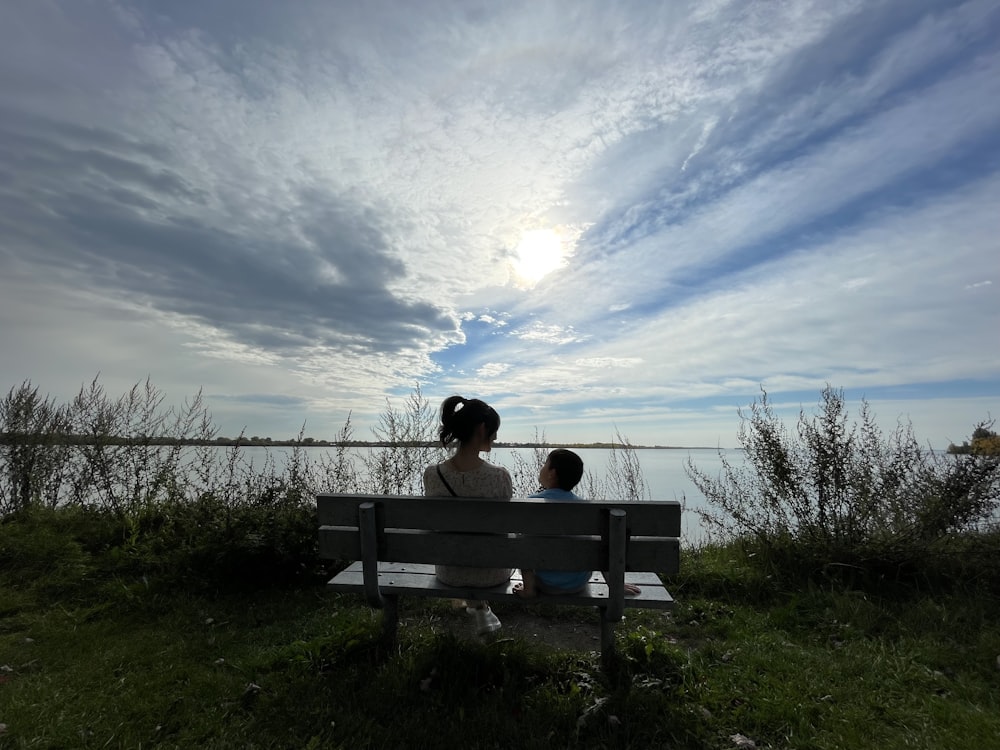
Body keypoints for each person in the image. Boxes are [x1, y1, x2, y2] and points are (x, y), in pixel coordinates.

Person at [422, 394, 512, 636]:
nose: (495, 436)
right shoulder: (499, 476)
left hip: (449, 572)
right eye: (494, 430)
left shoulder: (431, 475)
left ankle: (477, 607)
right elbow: (504, 529)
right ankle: (480, 608)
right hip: (492, 574)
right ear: (482, 429)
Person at [514, 448, 641, 598]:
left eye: (545, 464)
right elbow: (603, 548)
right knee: (600, 542)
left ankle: (529, 589)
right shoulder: (586, 508)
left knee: (520, 540)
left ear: (552, 473)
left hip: (545, 583)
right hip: (577, 583)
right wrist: (616, 583)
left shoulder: (530, 503)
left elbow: (521, 547)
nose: (541, 468)